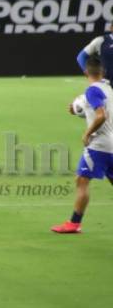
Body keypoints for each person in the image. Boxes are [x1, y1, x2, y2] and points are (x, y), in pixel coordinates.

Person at [51, 56, 113, 233]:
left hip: (99, 145)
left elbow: (101, 115)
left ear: (86, 72)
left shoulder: (92, 91)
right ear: (103, 71)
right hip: (111, 142)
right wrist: (81, 111)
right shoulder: (108, 88)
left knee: (82, 180)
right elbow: (101, 112)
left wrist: (87, 133)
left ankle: (73, 224)